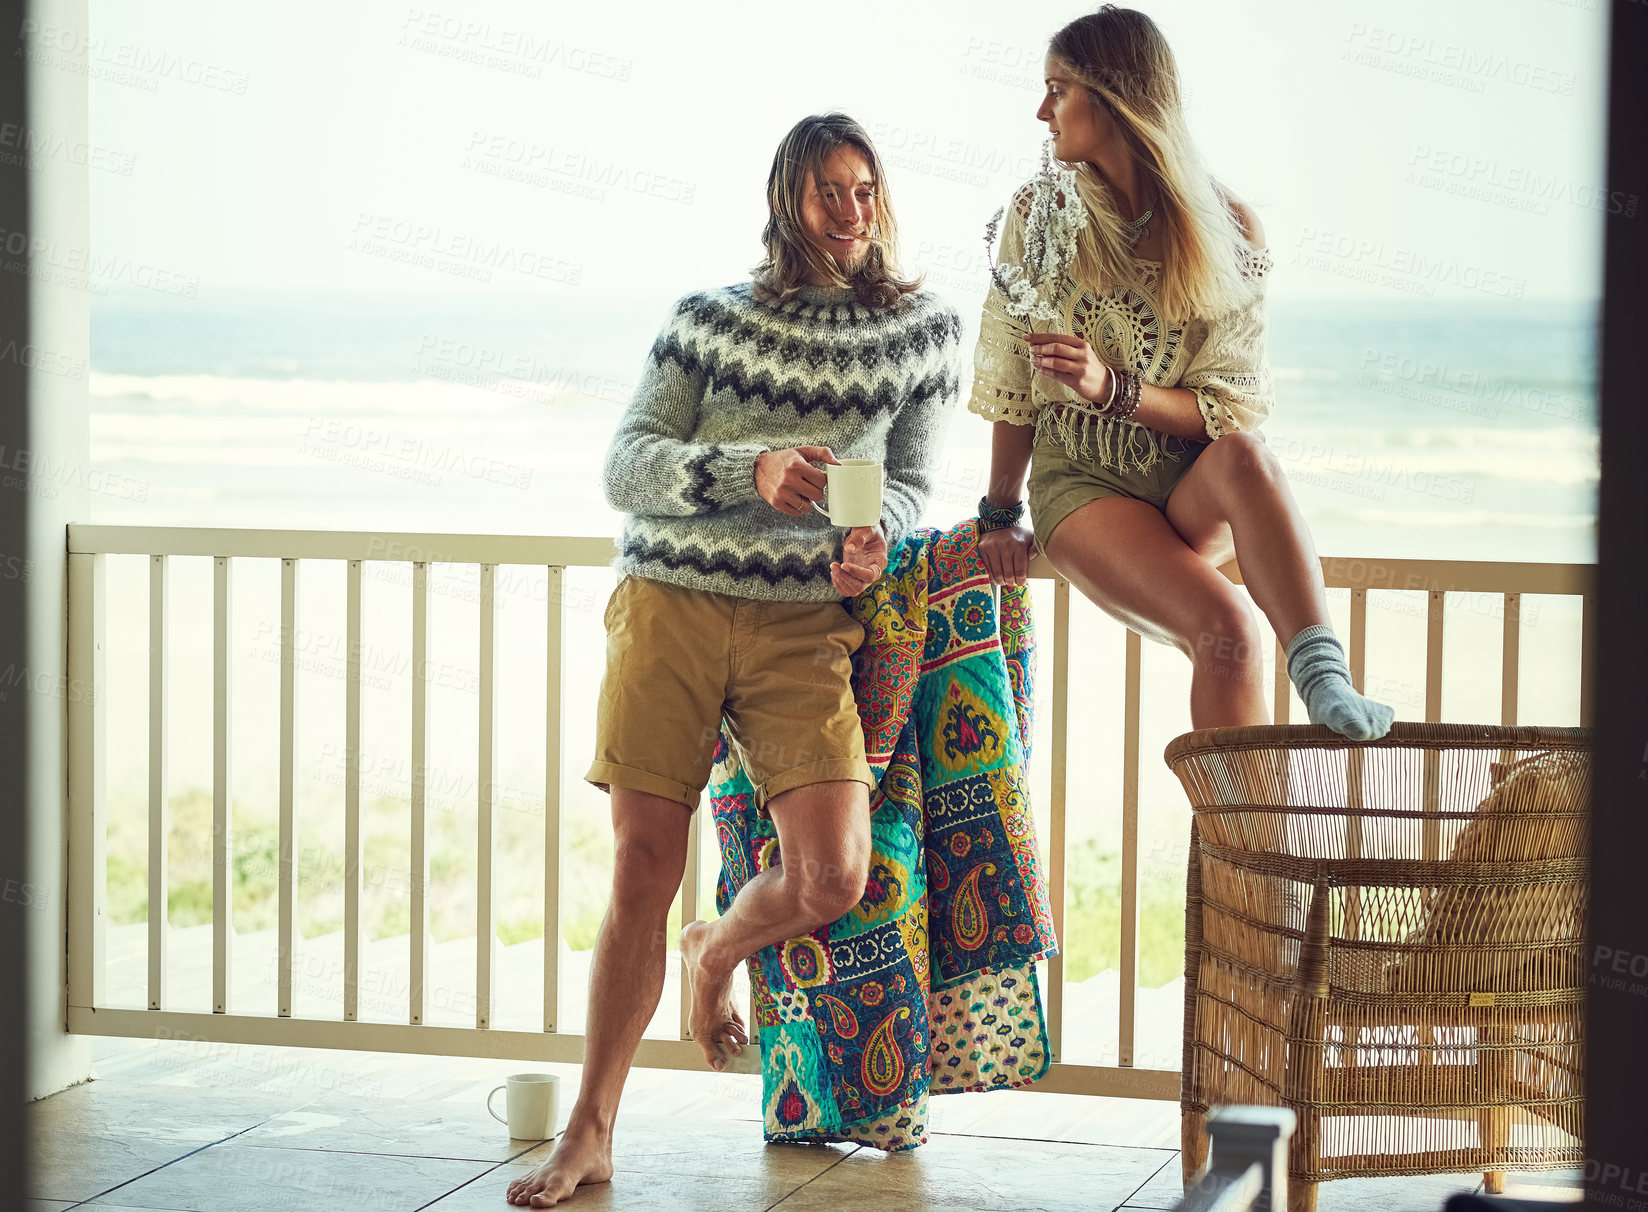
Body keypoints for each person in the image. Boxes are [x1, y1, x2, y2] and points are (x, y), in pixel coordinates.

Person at [507, 112, 962, 1208]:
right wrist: (745, 472)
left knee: (831, 874)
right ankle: (591, 1128)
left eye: (865, 190)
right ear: (784, 201)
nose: (850, 212)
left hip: (806, 625)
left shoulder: (923, 332)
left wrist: (876, 537)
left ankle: (715, 951)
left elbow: (909, 482)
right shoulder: (705, 322)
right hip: (670, 602)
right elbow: (626, 464)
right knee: (639, 868)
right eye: (827, 192)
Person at [970, 5, 1393, 740]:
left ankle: (1325, 676)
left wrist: (1113, 387)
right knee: (1227, 627)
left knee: (1250, 456)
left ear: (1115, 96)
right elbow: (1014, 378)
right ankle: (1252, 853)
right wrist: (1001, 514)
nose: (1042, 111)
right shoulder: (1039, 213)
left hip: (1191, 486)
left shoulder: (1227, 226)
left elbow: (1227, 410)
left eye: (1058, 89)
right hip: (1086, 484)